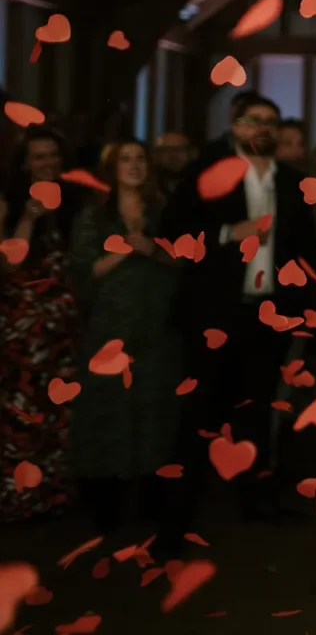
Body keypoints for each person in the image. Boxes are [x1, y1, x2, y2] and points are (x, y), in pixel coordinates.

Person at [161, 95, 316, 542]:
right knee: (200, 414)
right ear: (235, 126)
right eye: (254, 120)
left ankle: (256, 504)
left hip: (270, 315)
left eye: (272, 121)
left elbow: (308, 253)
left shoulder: (293, 182)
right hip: (216, 313)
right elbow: (171, 233)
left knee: (257, 412)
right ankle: (174, 521)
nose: (264, 128)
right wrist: (223, 234)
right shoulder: (203, 174)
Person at [67, 139, 181, 534]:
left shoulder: (165, 210)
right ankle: (108, 508)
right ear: (112, 168)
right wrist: (122, 252)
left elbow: (185, 260)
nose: (134, 166)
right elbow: (82, 272)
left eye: (140, 159)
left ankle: (151, 501)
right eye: (125, 160)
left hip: (157, 327)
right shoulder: (94, 214)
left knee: (154, 412)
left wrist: (154, 250)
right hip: (111, 328)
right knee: (108, 413)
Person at [0, 126, 80, 522]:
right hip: (22, 323)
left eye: (53, 155)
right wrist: (28, 220)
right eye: (39, 157)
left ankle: (55, 495)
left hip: (62, 323)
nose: (47, 163)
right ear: (25, 163)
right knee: (22, 410)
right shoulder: (9, 201)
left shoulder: (76, 200)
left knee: (58, 409)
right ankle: (20, 499)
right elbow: (9, 264)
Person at [152, 132, 192, 196]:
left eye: (178, 149)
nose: (173, 155)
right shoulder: (150, 185)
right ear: (158, 154)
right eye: (167, 150)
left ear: (189, 153)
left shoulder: (199, 182)